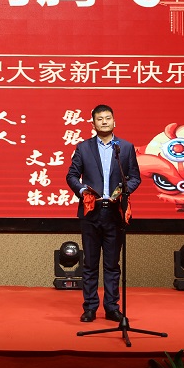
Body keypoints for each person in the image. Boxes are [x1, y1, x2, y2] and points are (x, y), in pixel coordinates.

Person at [66, 104, 141, 322]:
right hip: (91, 212)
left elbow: (135, 177)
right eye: (100, 119)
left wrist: (124, 191)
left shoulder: (125, 148)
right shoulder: (83, 148)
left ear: (114, 121)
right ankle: (90, 307)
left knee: (112, 265)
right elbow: (72, 176)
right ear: (93, 124)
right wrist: (83, 191)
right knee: (90, 264)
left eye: (108, 118)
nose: (104, 122)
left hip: (115, 212)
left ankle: (111, 307)